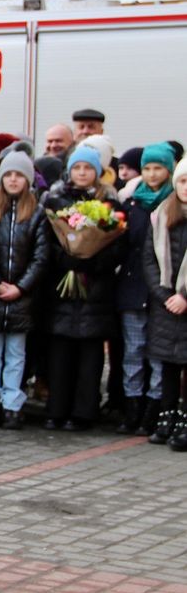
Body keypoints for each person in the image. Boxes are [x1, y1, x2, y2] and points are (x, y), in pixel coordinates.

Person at [41, 144, 123, 430]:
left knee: (90, 357)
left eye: (88, 168)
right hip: (62, 289)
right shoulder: (55, 201)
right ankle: (56, 409)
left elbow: (117, 245)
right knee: (60, 356)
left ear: (98, 172)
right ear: (70, 171)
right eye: (77, 167)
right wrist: (66, 258)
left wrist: (91, 260)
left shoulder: (110, 204)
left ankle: (83, 412)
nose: (82, 173)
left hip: (96, 292)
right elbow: (47, 241)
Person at [0, 150, 48, 430]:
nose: (13, 179)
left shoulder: (37, 213)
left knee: (16, 355)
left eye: (19, 175)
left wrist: (20, 287)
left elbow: (41, 256)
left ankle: (12, 404)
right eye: (8, 174)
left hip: (21, 298)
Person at [116, 143, 176, 435]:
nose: (152, 175)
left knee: (157, 353)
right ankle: (132, 409)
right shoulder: (131, 205)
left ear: (169, 170)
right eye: (148, 168)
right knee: (133, 351)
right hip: (132, 287)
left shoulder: (174, 205)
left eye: (159, 168)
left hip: (163, 291)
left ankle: (154, 410)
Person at [145, 158, 187, 451]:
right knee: (168, 365)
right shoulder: (161, 214)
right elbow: (149, 259)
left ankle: (185, 420)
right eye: (183, 181)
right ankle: (167, 415)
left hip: (184, 303)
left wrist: (185, 297)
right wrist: (165, 296)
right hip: (166, 304)